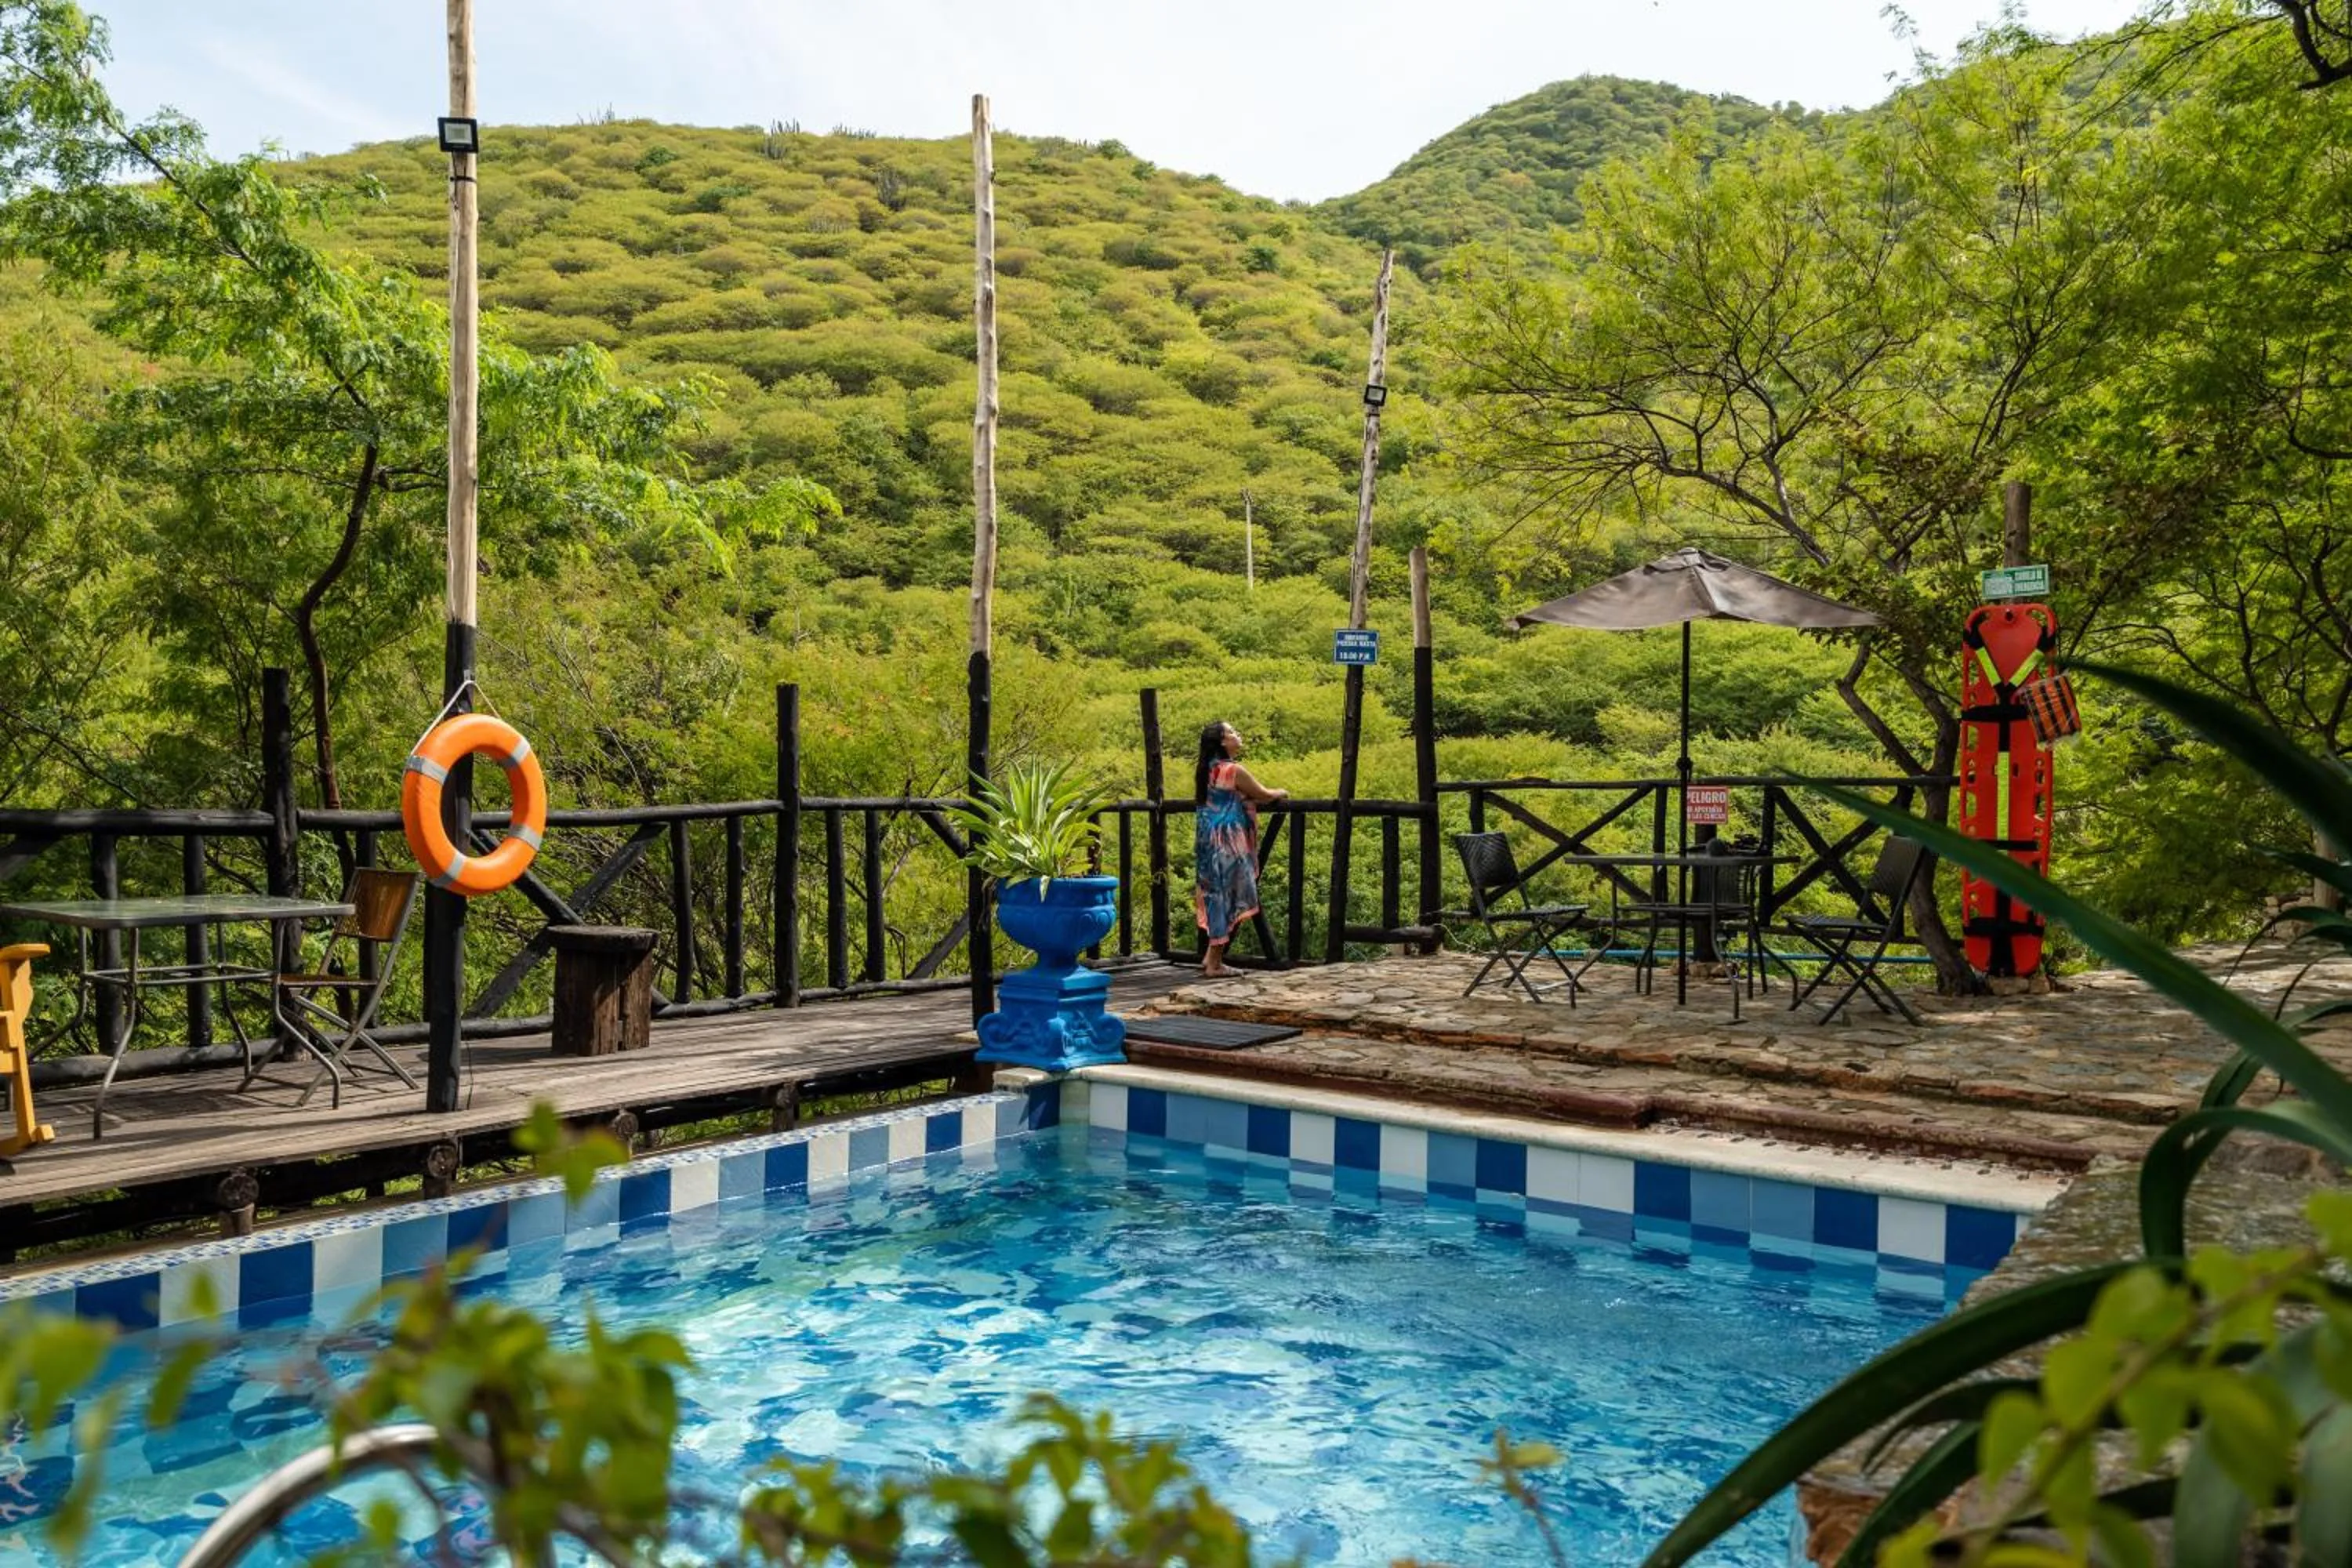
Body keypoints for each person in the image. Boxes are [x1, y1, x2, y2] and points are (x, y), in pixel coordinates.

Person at [1192, 720, 1287, 976]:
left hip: (1207, 841)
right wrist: (1281, 791)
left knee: (1215, 895)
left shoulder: (1206, 771)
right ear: (1223, 742)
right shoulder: (1233, 771)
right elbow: (1265, 794)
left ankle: (1210, 957)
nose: (1237, 734)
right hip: (1229, 843)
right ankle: (1215, 963)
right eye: (1232, 732)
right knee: (1229, 896)